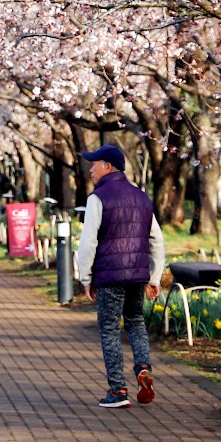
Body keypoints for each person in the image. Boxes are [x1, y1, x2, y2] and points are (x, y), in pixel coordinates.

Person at [72, 145, 166, 408]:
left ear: (108, 167)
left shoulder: (98, 198)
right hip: (137, 274)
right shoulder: (141, 197)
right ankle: (143, 368)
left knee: (110, 328)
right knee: (135, 322)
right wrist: (155, 277)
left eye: (95, 164)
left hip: (109, 276)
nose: (91, 169)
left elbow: (88, 241)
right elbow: (157, 239)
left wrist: (86, 278)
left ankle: (118, 391)